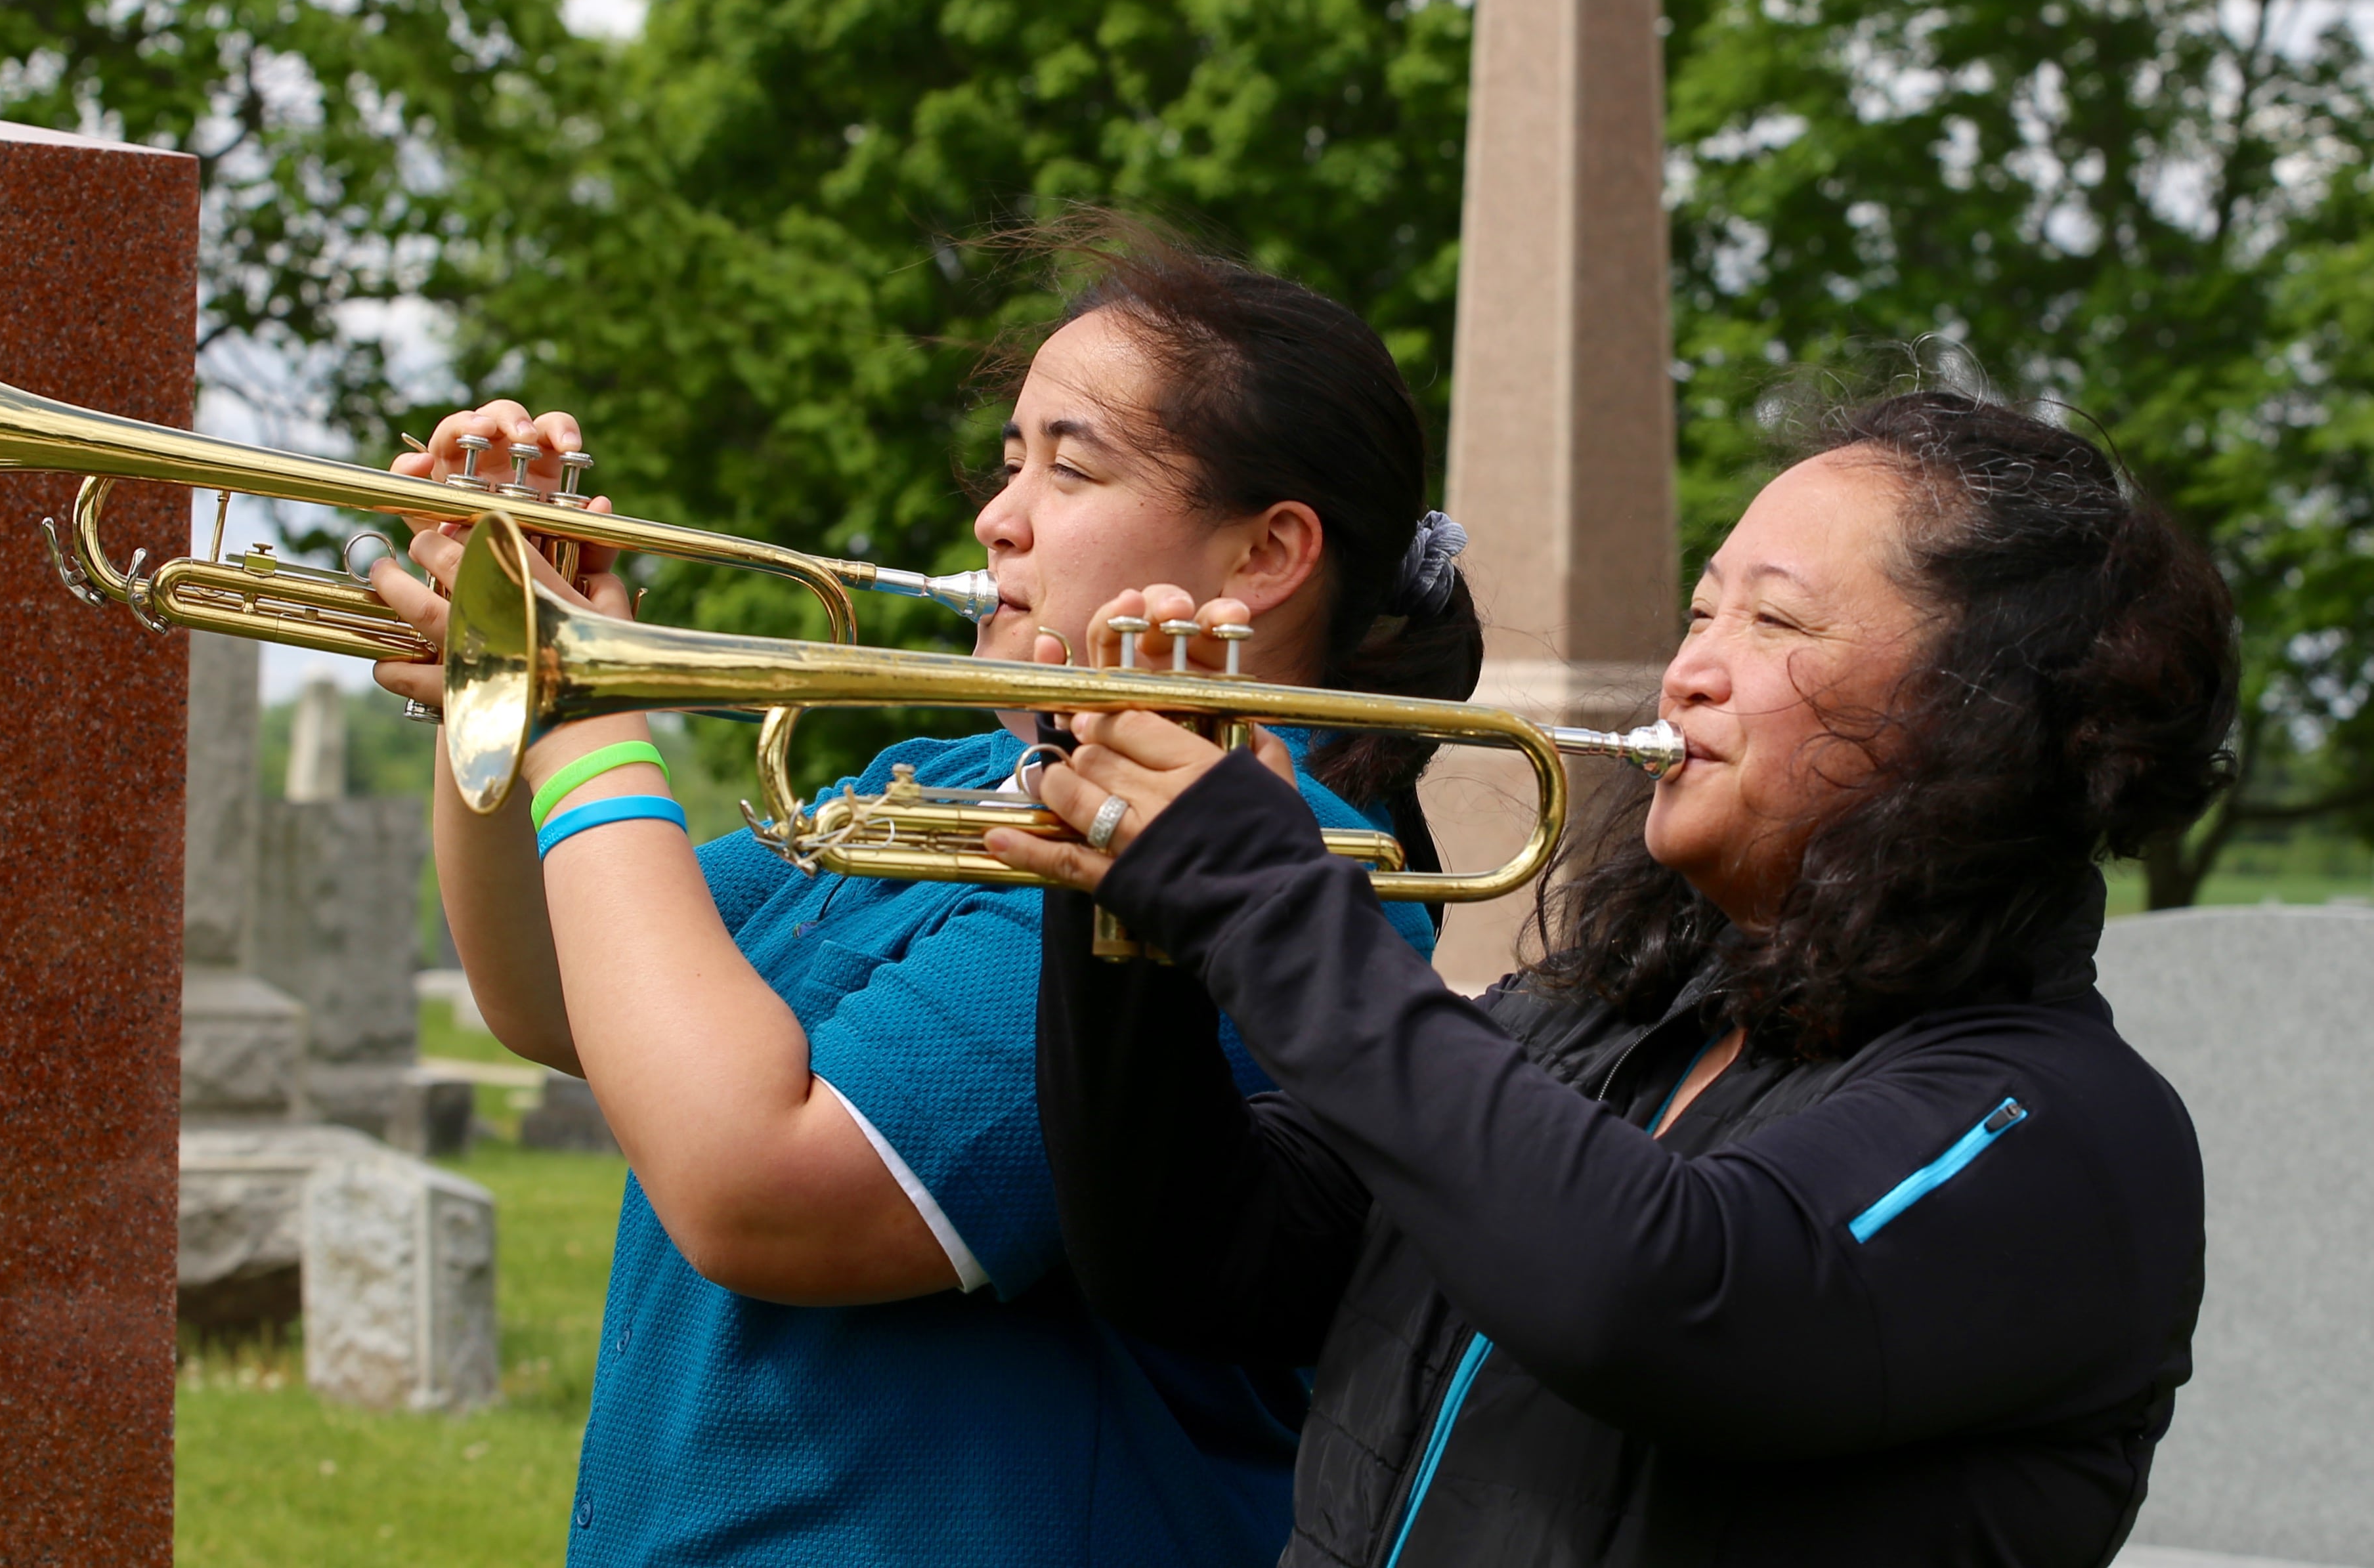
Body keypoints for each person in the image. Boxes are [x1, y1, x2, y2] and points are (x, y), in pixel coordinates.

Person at [364, 226, 1480, 1564]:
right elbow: (557, 988)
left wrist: (576, 717)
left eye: (1070, 465)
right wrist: (494, 673)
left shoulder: (1265, 880)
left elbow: (756, 1184)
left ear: (1262, 555)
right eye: (1010, 460)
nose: (994, 516)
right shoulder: (946, 773)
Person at [1000, 392, 2235, 1568]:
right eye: (1701, 615)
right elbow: (1192, 1259)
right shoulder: (1587, 1022)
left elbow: (1668, 1297)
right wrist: (1128, 915)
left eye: (1779, 622)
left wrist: (1262, 900)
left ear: (1988, 718)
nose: (1689, 671)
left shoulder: (2063, 1127)